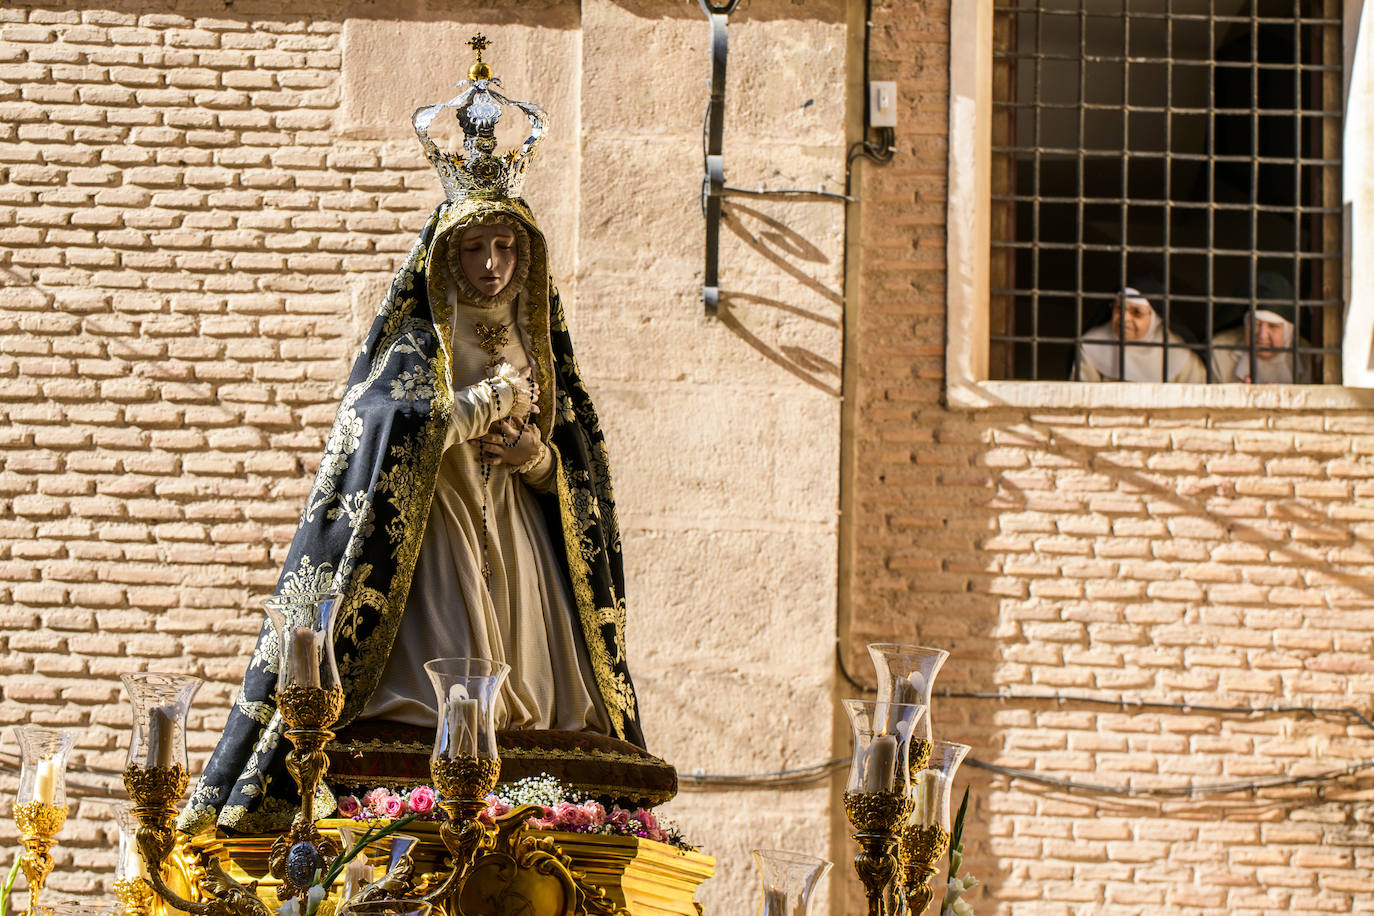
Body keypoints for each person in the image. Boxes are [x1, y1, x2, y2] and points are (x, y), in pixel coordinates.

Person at [179, 45, 643, 836]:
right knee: (445, 686)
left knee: (531, 702)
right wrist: (476, 404)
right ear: (445, 254)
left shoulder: (537, 341)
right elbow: (388, 432)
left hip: (520, 542)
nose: (492, 265)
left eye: (505, 249)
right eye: (474, 248)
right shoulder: (416, 342)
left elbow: (577, 469)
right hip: (437, 537)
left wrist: (536, 461)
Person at [1074, 280, 1207, 383]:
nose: (1124, 319)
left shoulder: (1181, 353)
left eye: (1136, 312)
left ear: (1156, 319)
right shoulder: (1091, 345)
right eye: (1118, 309)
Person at [1210, 273, 1314, 384]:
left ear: (1289, 332)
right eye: (1255, 324)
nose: (1262, 335)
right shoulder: (1220, 350)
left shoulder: (1307, 356)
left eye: (1273, 326)